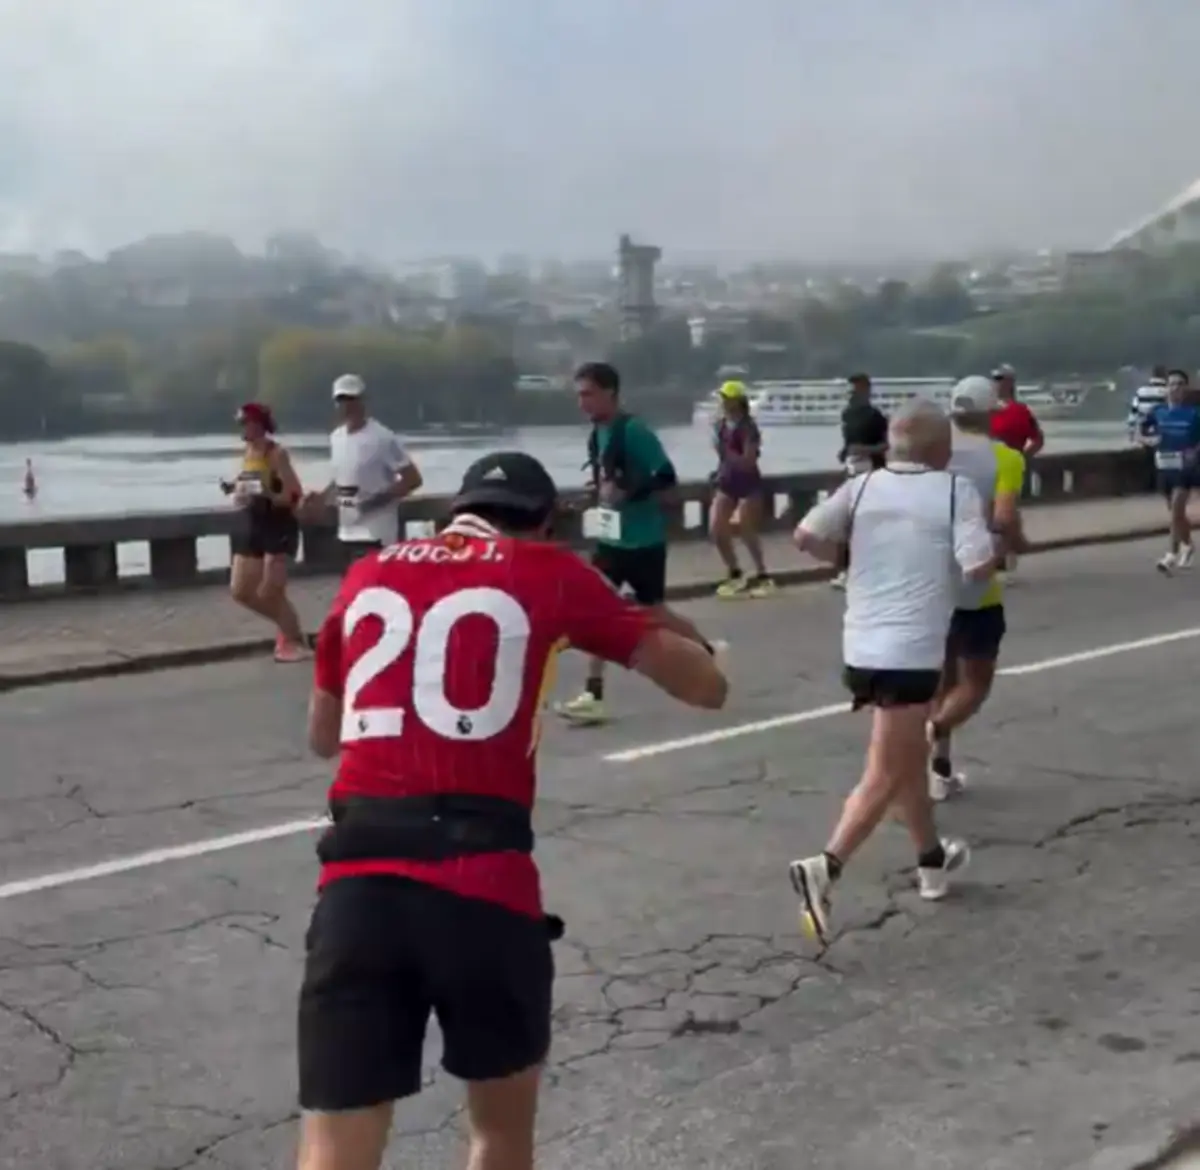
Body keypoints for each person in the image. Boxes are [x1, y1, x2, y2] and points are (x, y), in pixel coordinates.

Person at [298, 450, 728, 1170]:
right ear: (546, 523)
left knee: (335, 1147)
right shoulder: (548, 571)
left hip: (357, 888)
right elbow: (707, 687)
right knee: (497, 1135)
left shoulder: (367, 573)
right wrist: (671, 629)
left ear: (456, 511)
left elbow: (322, 737)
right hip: (482, 884)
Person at [788, 400, 996, 946]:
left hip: (861, 646)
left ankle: (931, 860)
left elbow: (804, 537)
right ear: (940, 449)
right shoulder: (954, 491)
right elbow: (977, 565)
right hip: (912, 651)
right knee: (885, 771)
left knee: (905, 759)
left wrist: (853, 559)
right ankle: (825, 867)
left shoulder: (860, 488)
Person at [556, 361, 709, 726]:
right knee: (597, 610)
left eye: (588, 394)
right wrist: (593, 494)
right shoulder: (597, 433)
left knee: (656, 613)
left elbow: (665, 477)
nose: (582, 403)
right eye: (579, 395)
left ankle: (705, 654)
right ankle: (593, 694)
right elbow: (608, 479)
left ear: (610, 392)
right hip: (611, 539)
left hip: (643, 541)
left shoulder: (634, 431)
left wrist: (627, 493)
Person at [927, 375, 1027, 801]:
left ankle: (939, 770)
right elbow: (1003, 518)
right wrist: (1014, 542)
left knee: (943, 679)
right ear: (991, 415)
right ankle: (934, 729)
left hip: (932, 580)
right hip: (975, 587)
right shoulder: (1005, 458)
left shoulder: (933, 457)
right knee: (975, 683)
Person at [220, 402, 309, 662]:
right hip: (254, 523)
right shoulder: (248, 452)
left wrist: (268, 493)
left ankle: (294, 640)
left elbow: (294, 494)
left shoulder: (276, 454)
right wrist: (235, 490)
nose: (241, 429)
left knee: (271, 591)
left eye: (244, 423)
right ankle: (287, 630)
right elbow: (248, 482)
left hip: (278, 525)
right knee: (241, 590)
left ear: (258, 425)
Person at [303, 374, 423, 564]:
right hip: (346, 532)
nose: (347, 405)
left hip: (376, 533)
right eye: (342, 399)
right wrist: (321, 498)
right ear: (336, 404)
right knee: (351, 582)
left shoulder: (382, 438)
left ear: (363, 401)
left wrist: (372, 503)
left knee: (373, 582)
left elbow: (413, 479)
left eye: (352, 398)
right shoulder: (337, 437)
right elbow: (340, 480)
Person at [709, 380, 774, 598]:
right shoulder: (720, 426)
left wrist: (726, 453)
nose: (722, 402)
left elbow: (748, 461)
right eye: (722, 398)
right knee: (716, 529)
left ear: (737, 401)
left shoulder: (748, 428)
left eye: (726, 398)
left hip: (748, 484)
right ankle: (735, 572)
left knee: (746, 529)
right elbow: (723, 457)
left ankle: (762, 574)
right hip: (726, 482)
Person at [1138, 368, 1200, 574]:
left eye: (1180, 384)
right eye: (1172, 384)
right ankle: (1188, 545)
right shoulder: (1158, 411)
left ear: (1186, 388)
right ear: (1166, 388)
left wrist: (1194, 451)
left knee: (1176, 510)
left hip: (1186, 469)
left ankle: (1171, 555)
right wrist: (1147, 440)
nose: (1175, 388)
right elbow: (1140, 430)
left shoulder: (1194, 413)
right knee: (1177, 515)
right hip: (1164, 467)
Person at [830, 373, 888, 591]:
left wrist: (865, 450)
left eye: (855, 391)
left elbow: (886, 445)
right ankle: (846, 570)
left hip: (873, 473)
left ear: (866, 391)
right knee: (846, 521)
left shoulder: (876, 417)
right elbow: (849, 442)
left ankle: (872, 569)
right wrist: (844, 452)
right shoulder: (847, 414)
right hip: (852, 471)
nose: (851, 395)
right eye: (849, 391)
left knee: (869, 522)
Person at [1127, 365, 1169, 445]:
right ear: (1165, 376)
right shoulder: (1168, 392)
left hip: (1143, 432)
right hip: (1162, 432)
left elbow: (1133, 412)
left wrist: (1131, 431)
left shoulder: (1141, 391)